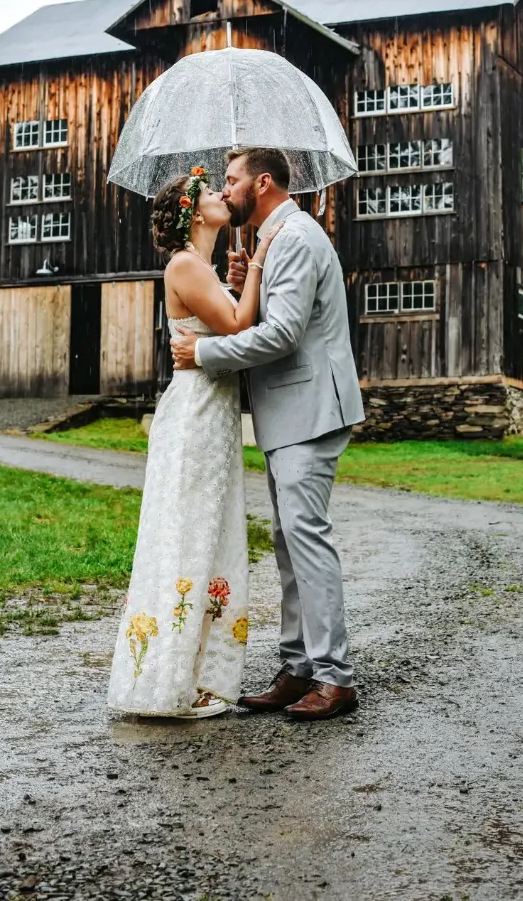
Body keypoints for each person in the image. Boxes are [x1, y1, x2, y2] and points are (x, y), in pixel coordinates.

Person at [171, 147, 365, 721]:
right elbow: (270, 317)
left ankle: (335, 677)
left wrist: (203, 351)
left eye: (230, 181)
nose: (223, 190)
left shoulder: (296, 238)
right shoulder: (270, 240)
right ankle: (298, 666)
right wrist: (245, 287)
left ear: (260, 184)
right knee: (288, 541)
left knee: (306, 537)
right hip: (289, 412)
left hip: (309, 408)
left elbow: (282, 335)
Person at [107, 166, 281, 719]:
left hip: (210, 416)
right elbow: (235, 323)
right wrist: (256, 262)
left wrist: (235, 272)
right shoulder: (185, 264)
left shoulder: (199, 266)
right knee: (189, 536)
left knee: (209, 535)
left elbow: (226, 315)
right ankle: (170, 678)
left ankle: (197, 673)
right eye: (210, 192)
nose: (220, 195)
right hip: (196, 420)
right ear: (191, 213)